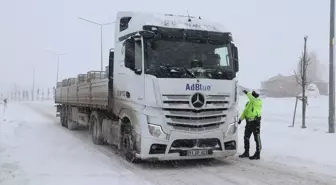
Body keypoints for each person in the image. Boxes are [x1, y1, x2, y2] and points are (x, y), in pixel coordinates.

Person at [238, 90, 263, 160]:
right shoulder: (249, 103)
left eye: (253, 93)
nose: (252, 94)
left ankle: (257, 154)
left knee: (257, 138)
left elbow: (253, 99)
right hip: (248, 123)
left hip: (255, 122)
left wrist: (247, 93)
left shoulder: (258, 101)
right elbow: (245, 111)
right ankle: (246, 152)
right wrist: (241, 119)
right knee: (246, 137)